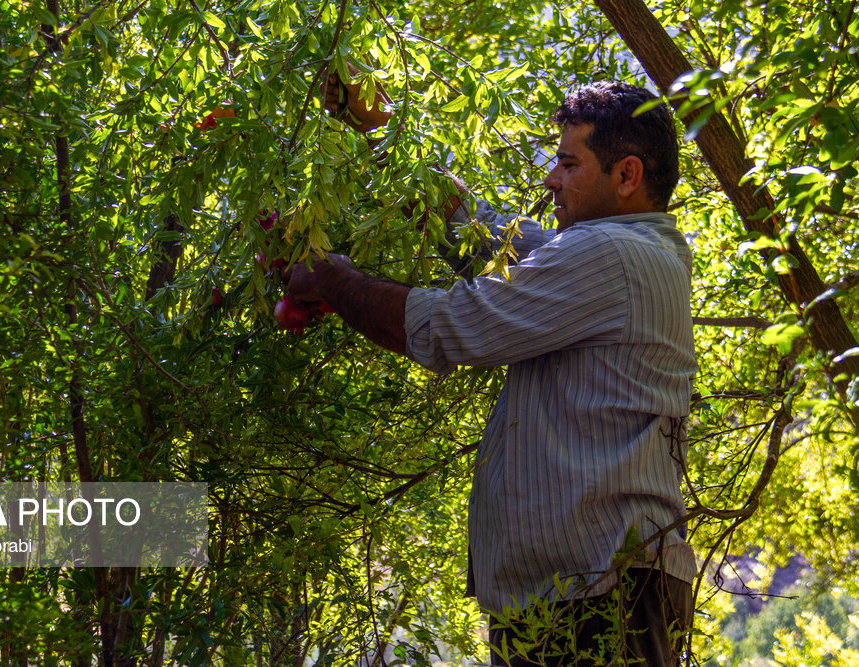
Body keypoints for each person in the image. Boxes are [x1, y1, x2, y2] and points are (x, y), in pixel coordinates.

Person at [284, 71, 698, 666]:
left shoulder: (613, 255)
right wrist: (377, 127)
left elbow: (449, 324)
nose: (551, 179)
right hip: (575, 597)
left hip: (599, 600)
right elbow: (481, 232)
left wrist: (331, 277)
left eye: (569, 164)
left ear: (627, 175)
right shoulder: (630, 250)